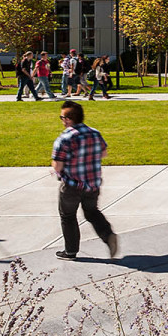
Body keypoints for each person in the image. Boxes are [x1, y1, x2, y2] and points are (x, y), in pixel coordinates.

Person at [51, 100, 119, 261]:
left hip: (72, 185)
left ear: (68, 119)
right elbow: (103, 154)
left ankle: (70, 251)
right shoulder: (94, 133)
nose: (61, 121)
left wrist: (54, 167)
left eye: (62, 117)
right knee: (92, 212)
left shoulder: (64, 138)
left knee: (68, 216)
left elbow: (58, 165)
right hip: (93, 183)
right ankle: (108, 235)